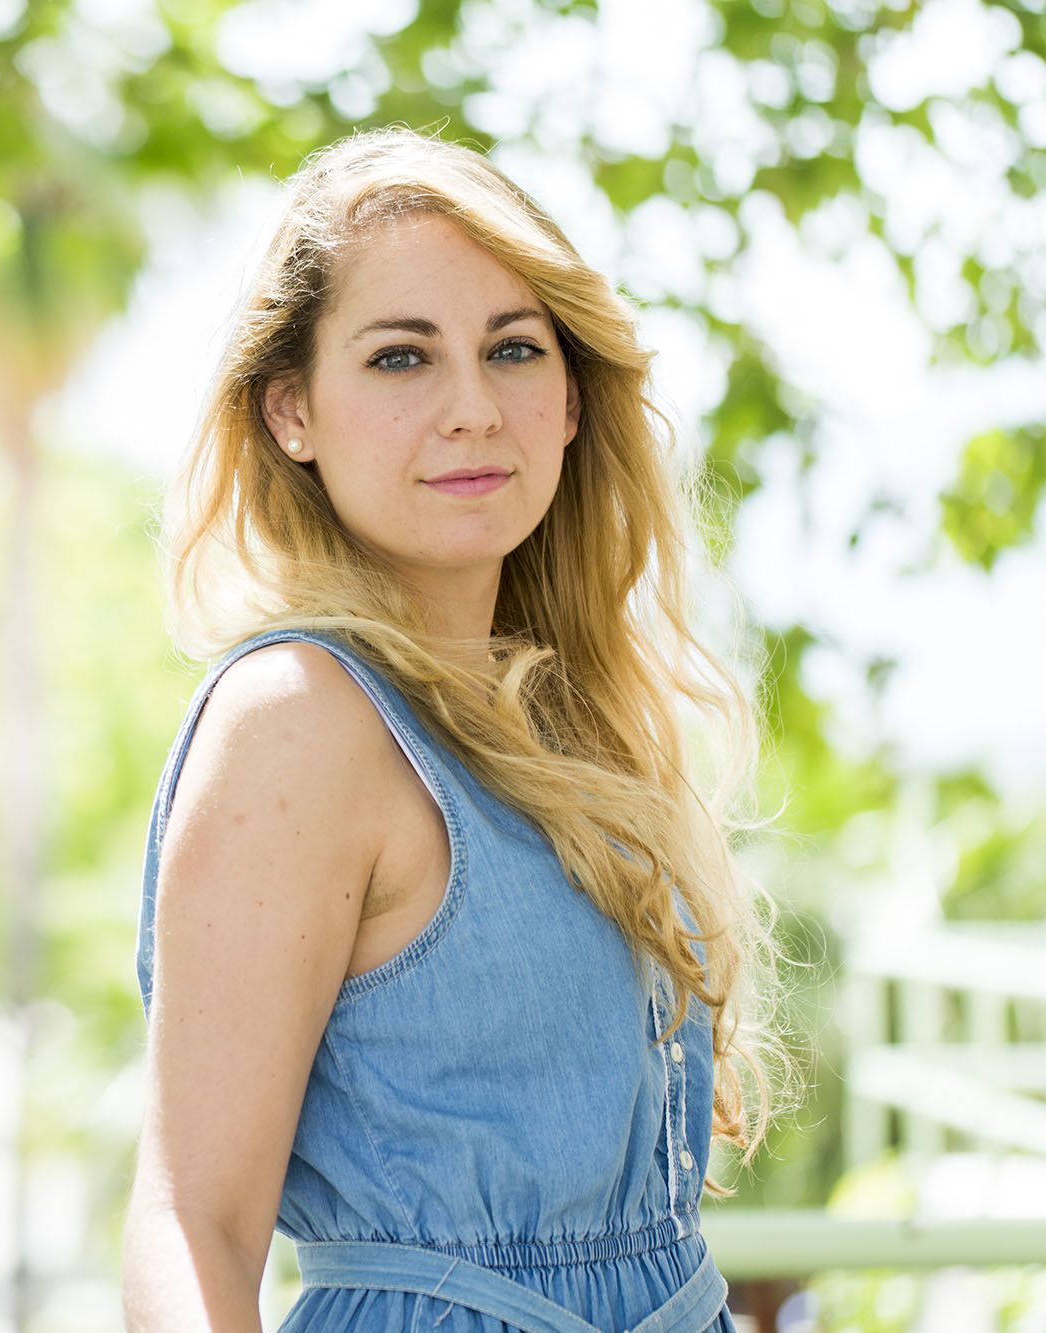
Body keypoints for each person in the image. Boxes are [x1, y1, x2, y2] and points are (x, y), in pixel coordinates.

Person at [121, 127, 778, 1332]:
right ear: (290, 411)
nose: (472, 410)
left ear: (570, 398)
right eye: (399, 357)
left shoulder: (566, 725)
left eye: (512, 349)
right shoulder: (296, 718)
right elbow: (191, 1220)